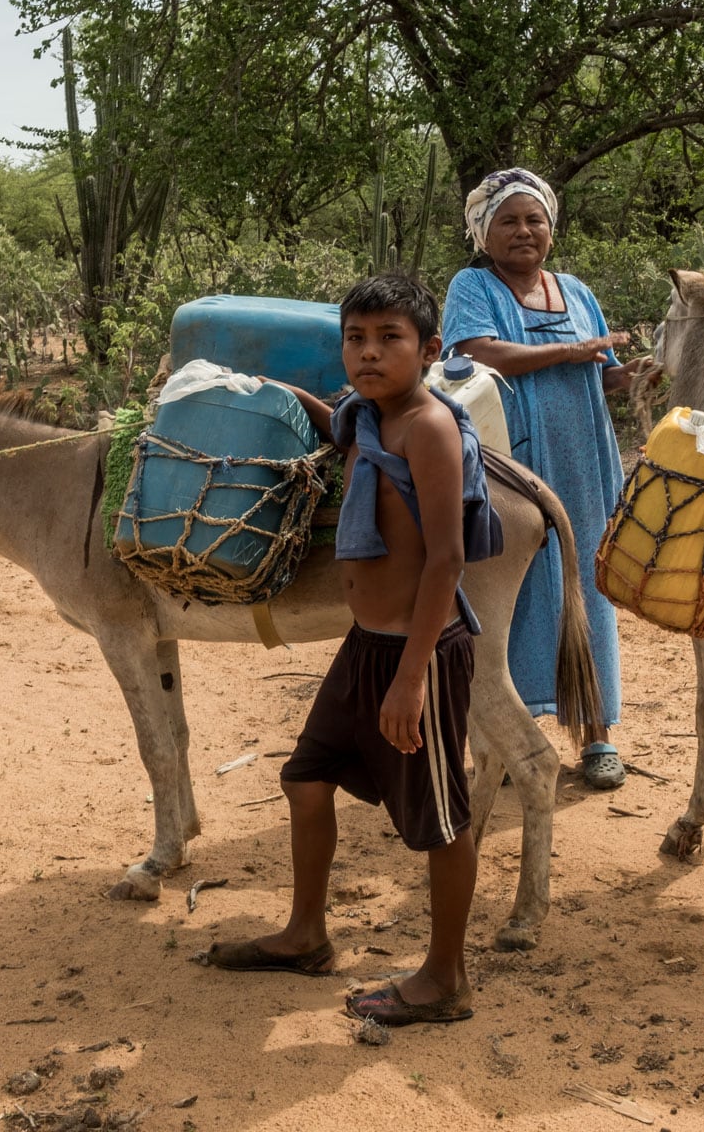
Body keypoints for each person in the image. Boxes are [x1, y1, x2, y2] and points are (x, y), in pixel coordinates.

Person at [204, 272, 500, 1027]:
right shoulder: (366, 417)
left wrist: (411, 679)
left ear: (430, 350)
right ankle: (306, 935)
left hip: (418, 653)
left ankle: (446, 978)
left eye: (389, 339)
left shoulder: (427, 428)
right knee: (306, 778)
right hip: (365, 643)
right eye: (355, 339)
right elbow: (335, 425)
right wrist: (265, 388)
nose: (369, 354)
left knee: (441, 818)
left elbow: (446, 560)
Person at [442, 167, 641, 789]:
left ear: (551, 229)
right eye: (508, 221)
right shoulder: (473, 285)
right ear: (484, 233)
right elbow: (473, 354)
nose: (524, 231)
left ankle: (596, 733)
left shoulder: (577, 291)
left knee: (587, 585)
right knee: (514, 588)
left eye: (535, 220)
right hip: (511, 462)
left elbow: (597, 372)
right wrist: (572, 353)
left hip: (583, 459)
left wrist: (625, 375)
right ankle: (512, 730)